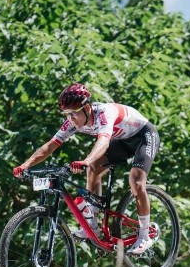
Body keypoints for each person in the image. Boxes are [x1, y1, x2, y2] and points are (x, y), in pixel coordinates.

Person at [13, 83, 160, 255]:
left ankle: (144, 236)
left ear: (87, 108)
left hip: (144, 135)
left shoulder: (104, 114)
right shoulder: (72, 122)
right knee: (94, 169)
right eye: (66, 114)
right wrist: (26, 165)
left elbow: (104, 142)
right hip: (122, 140)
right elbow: (50, 146)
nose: (70, 118)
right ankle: (93, 227)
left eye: (74, 113)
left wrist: (86, 160)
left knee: (135, 180)